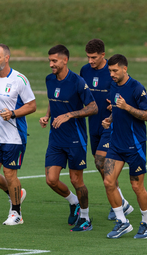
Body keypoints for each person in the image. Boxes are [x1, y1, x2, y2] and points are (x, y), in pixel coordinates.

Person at [39, 44, 98, 232]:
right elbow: (52, 100)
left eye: (54, 61)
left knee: (76, 181)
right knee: (51, 180)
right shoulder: (49, 79)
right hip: (56, 139)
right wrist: (47, 115)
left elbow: (93, 107)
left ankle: (86, 218)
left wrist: (69, 115)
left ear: (65, 60)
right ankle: (73, 202)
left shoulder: (78, 82)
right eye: (49, 61)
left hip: (75, 139)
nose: (51, 64)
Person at [101, 54, 147, 239]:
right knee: (108, 182)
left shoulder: (137, 88)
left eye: (115, 71)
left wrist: (127, 107)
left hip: (135, 145)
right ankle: (122, 222)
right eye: (110, 71)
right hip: (116, 144)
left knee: (137, 187)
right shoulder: (113, 86)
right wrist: (109, 119)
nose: (112, 74)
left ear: (125, 68)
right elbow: (117, 110)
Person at [80, 39, 133, 221]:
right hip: (93, 124)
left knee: (103, 160)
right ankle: (119, 201)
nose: (90, 61)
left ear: (103, 55)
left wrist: (116, 104)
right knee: (99, 163)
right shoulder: (85, 71)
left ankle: (120, 204)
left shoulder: (112, 72)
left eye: (93, 57)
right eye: (88, 57)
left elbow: (125, 89)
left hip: (110, 124)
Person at [0, 44, 36, 225]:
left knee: (10, 175)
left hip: (14, 137)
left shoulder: (19, 80)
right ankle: (15, 193)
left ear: (7, 58)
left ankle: (16, 213)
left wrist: (13, 113)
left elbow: (32, 106)